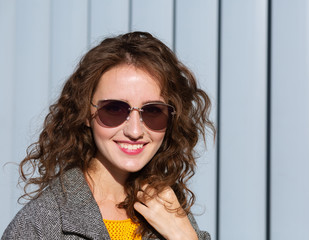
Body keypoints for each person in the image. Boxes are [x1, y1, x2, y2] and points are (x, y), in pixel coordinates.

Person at [1, 31, 215, 240]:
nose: (135, 131)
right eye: (114, 109)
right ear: (85, 112)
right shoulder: (40, 225)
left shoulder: (169, 209)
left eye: (152, 111)